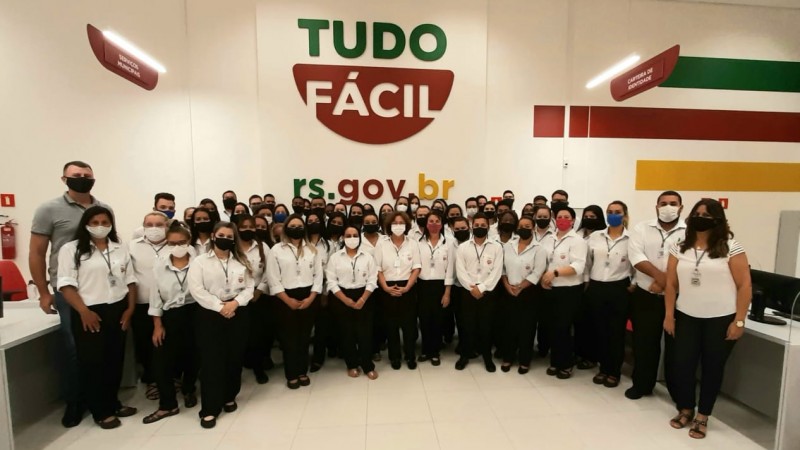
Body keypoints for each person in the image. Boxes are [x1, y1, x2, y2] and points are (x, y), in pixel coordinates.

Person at [30, 160, 112, 427]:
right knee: (75, 347)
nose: (83, 178)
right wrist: (43, 291)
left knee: (103, 347)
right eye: (77, 175)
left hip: (102, 290)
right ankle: (75, 401)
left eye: (87, 175)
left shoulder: (103, 208)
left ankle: (103, 399)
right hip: (69, 289)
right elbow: (37, 252)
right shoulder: (49, 209)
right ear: (64, 179)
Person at [664, 199, 750, 440]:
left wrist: (739, 321)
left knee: (712, 368)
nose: (700, 218)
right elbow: (670, 284)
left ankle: (703, 415)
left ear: (718, 219)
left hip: (720, 318)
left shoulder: (731, 247)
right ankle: (686, 408)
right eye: (697, 213)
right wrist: (669, 315)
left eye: (706, 215)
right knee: (683, 364)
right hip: (686, 315)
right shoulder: (679, 246)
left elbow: (745, 286)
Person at [56, 206, 137, 429]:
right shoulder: (71, 249)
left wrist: (130, 309)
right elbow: (66, 285)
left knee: (114, 360)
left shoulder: (119, 248)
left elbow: (130, 281)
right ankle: (100, 411)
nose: (100, 226)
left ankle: (113, 403)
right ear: (85, 224)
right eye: (95, 222)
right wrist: (83, 311)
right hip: (89, 311)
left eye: (105, 222)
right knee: (93, 362)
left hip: (118, 309)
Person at [188, 222, 254, 428]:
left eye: (229, 236)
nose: (225, 239)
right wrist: (220, 307)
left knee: (234, 357)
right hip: (210, 314)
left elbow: (249, 288)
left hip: (237, 311)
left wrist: (235, 303)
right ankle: (210, 408)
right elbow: (197, 290)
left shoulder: (241, 261)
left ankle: (229, 396)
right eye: (221, 235)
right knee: (212, 361)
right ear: (214, 236)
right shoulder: (200, 262)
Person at [626, 191, 686, 400]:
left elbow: (689, 262)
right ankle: (642, 385)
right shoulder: (642, 228)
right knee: (644, 343)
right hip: (646, 295)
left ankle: (677, 393)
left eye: (673, 203)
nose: (668, 207)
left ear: (681, 207)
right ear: (656, 207)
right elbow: (636, 256)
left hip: (679, 298)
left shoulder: (689, 232)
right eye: (663, 203)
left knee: (676, 347)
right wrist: (660, 277)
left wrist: (665, 284)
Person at [143, 223, 200, 424]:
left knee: (193, 356)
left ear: (189, 241)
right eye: (172, 243)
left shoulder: (199, 262)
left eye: (182, 242)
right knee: (161, 361)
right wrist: (157, 325)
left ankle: (189, 389)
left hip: (195, 312)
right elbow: (155, 296)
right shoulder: (160, 265)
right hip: (170, 314)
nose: (177, 247)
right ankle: (168, 404)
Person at [266, 215, 324, 389]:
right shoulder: (276, 250)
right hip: (284, 297)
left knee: (304, 337)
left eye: (299, 226)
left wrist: (311, 298)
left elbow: (318, 276)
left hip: (308, 295)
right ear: (286, 228)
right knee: (289, 338)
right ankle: (291, 374)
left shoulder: (312, 249)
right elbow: (273, 279)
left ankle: (302, 371)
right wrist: (287, 300)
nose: (296, 229)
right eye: (292, 226)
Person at [584, 201, 632, 388]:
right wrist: (587, 280)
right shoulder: (596, 236)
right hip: (596, 287)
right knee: (600, 331)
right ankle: (603, 368)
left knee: (616, 332)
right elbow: (587, 262)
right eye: (610, 211)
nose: (613, 215)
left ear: (625, 215)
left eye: (617, 212)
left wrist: (634, 283)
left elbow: (636, 264)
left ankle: (614, 371)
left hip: (619, 288)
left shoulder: (631, 239)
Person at [539, 206, 587, 379]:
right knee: (552, 327)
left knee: (563, 327)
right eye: (559, 217)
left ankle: (566, 363)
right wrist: (543, 279)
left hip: (569, 289)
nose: (562, 220)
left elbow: (578, 266)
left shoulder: (578, 241)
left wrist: (555, 273)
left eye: (566, 217)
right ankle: (555, 361)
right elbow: (543, 262)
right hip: (550, 288)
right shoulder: (549, 239)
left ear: (573, 221)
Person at [326, 226, 379, 379]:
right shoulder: (335, 257)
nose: (352, 238)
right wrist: (345, 300)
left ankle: (367, 365)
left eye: (355, 235)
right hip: (342, 297)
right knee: (346, 333)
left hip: (365, 295)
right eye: (348, 235)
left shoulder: (367, 257)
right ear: (343, 238)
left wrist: (362, 299)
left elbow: (372, 279)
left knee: (365, 333)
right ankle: (352, 364)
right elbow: (331, 281)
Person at [454, 213, 504, 372]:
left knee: (486, 325)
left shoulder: (496, 247)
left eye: (483, 225)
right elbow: (460, 271)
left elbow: (496, 272)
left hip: (488, 291)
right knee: (467, 325)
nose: (480, 228)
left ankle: (487, 357)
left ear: (488, 227)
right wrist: (472, 288)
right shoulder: (463, 247)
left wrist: (481, 288)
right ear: (471, 226)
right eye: (476, 225)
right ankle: (465, 355)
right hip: (468, 291)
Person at [128, 212, 170, 400]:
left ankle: (172, 378)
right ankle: (152, 380)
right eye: (149, 224)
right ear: (143, 226)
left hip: (170, 303)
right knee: (146, 343)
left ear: (167, 226)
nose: (154, 229)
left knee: (170, 342)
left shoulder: (175, 245)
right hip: (142, 303)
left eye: (159, 224)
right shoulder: (132, 247)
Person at [373, 211, 422, 369]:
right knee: (391, 325)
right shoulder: (381, 244)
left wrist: (407, 286)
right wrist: (385, 287)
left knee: (409, 325)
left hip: (408, 286)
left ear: (406, 226)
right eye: (395, 223)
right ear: (389, 226)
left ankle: (410, 356)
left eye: (401, 223)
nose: (398, 226)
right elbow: (377, 268)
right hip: (387, 287)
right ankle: (394, 357)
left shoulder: (412, 243)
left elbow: (416, 267)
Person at [499, 215, 547, 374]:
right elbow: (502, 268)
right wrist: (507, 285)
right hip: (508, 291)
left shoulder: (539, 249)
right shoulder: (508, 246)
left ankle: (524, 360)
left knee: (527, 328)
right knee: (508, 327)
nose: (524, 229)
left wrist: (521, 286)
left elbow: (538, 271)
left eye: (527, 227)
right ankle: (508, 357)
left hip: (528, 292)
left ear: (533, 228)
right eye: (521, 226)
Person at [416, 210, 454, 366]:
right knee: (424, 320)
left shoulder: (449, 243)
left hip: (440, 286)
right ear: (426, 224)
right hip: (422, 286)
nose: (434, 224)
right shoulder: (418, 243)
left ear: (442, 224)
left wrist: (447, 293)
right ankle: (425, 350)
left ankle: (435, 352)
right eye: (430, 221)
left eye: (437, 221)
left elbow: (450, 269)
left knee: (438, 320)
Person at [237, 216, 271, 384]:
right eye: (244, 226)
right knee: (242, 335)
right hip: (237, 297)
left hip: (258, 296)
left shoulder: (262, 247)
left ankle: (259, 368)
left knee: (258, 334)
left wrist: (260, 289)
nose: (248, 230)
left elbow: (269, 271)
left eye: (251, 226)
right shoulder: (233, 247)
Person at [574, 204, 607, 370]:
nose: (589, 219)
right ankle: (579, 353)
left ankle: (592, 356)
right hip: (576, 282)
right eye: (586, 217)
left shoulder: (603, 236)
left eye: (593, 217)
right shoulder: (577, 234)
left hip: (595, 282)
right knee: (579, 321)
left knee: (593, 322)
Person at [306, 212, 335, 372]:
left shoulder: (329, 245)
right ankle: (303, 357)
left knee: (321, 327)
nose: (313, 223)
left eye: (316, 220)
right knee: (304, 327)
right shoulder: (301, 243)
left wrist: (325, 293)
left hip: (323, 289)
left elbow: (332, 271)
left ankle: (318, 358)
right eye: (310, 220)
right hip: (305, 289)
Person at [448, 217, 472, 350]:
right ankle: (463, 344)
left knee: (472, 319)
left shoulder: (475, 243)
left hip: (473, 287)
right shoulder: (450, 245)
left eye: (463, 228)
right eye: (457, 229)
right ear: (452, 229)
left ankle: (474, 345)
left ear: (469, 228)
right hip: (457, 286)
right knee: (460, 318)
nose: (460, 231)